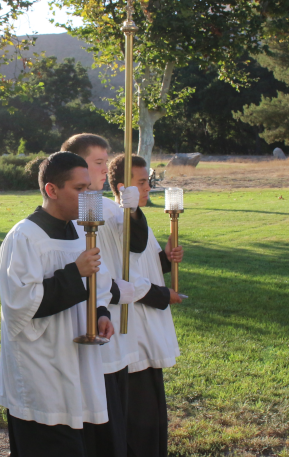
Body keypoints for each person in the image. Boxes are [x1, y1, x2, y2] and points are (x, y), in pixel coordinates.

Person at [0, 151, 114, 457]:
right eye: (79, 189)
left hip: (76, 360)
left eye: (90, 188)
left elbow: (98, 285)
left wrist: (100, 313)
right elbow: (20, 305)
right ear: (51, 190)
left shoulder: (80, 232)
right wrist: (75, 272)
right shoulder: (24, 237)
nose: (89, 196)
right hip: (41, 364)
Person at [60, 133, 139, 456]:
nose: (105, 170)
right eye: (98, 163)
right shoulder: (67, 216)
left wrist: (132, 211)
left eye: (107, 163)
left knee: (115, 407)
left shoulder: (106, 207)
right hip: (87, 318)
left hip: (107, 316)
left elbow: (134, 247)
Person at [106, 155, 182, 457]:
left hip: (148, 327)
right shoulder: (115, 218)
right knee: (138, 415)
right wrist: (164, 296)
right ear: (124, 188)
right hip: (132, 328)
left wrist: (164, 259)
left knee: (153, 411)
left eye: (147, 181)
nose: (148, 187)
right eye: (141, 182)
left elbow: (143, 261)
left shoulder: (135, 217)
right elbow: (124, 276)